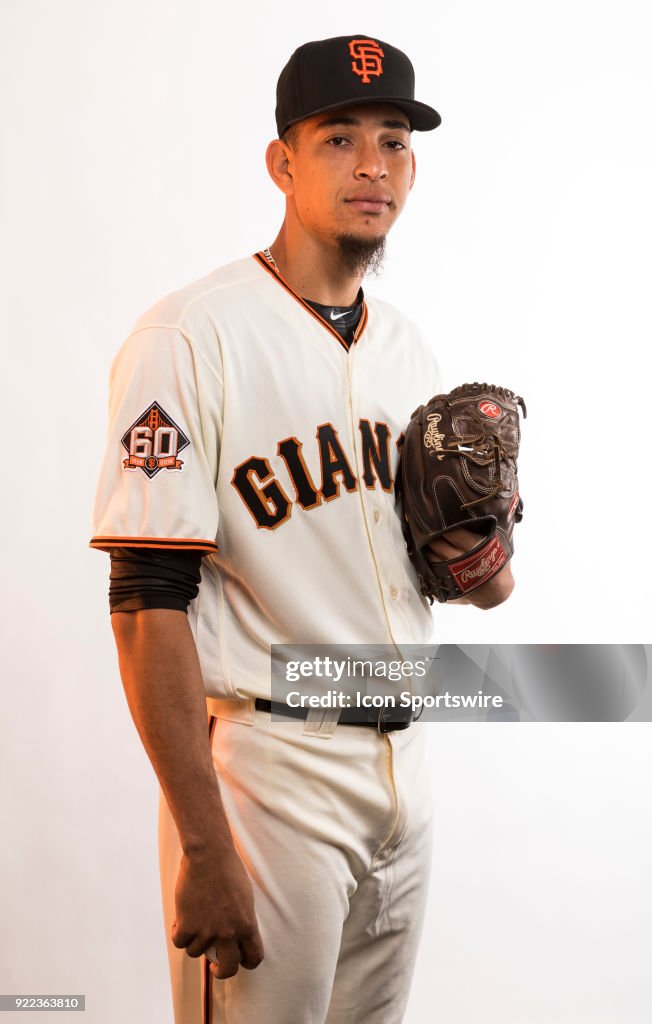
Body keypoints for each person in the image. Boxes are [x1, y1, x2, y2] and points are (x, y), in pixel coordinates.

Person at [91, 33, 514, 1024]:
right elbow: (145, 604)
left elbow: (471, 582)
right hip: (269, 778)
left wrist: (484, 546)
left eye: (393, 139)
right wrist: (203, 847)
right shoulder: (187, 336)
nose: (372, 165)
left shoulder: (410, 350)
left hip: (403, 769)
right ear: (281, 162)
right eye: (337, 139)